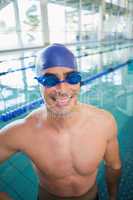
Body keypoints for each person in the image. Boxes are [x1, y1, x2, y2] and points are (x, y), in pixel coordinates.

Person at [0, 43, 121, 200]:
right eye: (50, 80)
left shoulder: (104, 122)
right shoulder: (21, 132)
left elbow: (114, 166)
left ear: (79, 82)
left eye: (72, 78)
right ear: (38, 84)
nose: (62, 88)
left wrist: (113, 197)